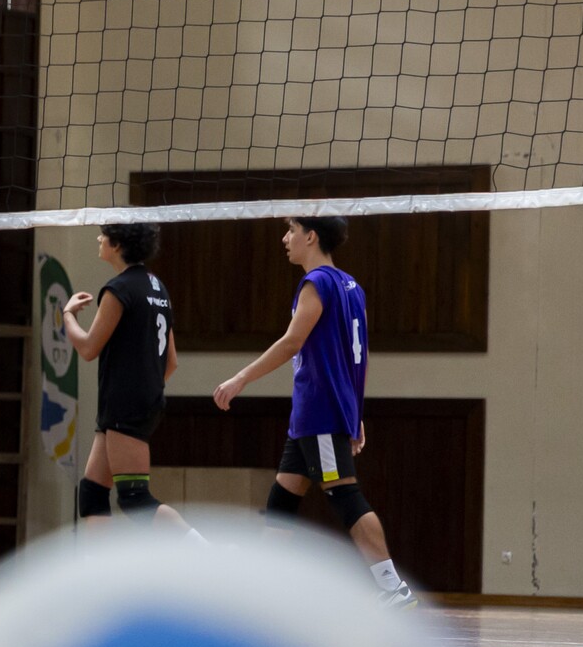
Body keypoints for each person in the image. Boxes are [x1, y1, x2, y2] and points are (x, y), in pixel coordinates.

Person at [214, 215, 417, 608]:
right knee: (283, 497)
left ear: (311, 236)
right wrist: (355, 410)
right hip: (319, 412)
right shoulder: (352, 286)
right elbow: (359, 356)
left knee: (344, 494)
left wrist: (240, 378)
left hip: (319, 409)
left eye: (291, 230)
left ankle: (393, 587)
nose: (285, 238)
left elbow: (292, 342)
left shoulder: (317, 282)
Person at [60, 223, 196, 535]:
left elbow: (89, 348)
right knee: (93, 492)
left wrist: (67, 315)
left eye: (104, 234)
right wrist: (145, 387)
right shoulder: (157, 288)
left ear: (118, 244)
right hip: (137, 401)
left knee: (135, 499)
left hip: (125, 404)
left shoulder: (119, 289)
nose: (99, 238)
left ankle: (204, 552)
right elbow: (171, 361)